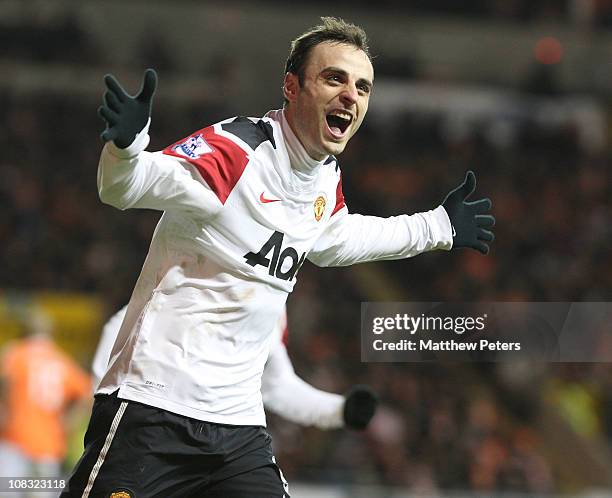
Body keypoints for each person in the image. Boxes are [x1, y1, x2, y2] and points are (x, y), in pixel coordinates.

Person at [63, 17, 494, 497]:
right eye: (335, 78)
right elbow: (127, 187)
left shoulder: (324, 176)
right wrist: (125, 149)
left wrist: (438, 227)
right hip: (154, 408)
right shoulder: (236, 151)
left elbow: (336, 239)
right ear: (292, 86)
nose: (352, 95)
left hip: (237, 428)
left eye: (363, 86)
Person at [92, 305, 378, 430]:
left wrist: (339, 410)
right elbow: (122, 326)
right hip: (156, 421)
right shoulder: (205, 259)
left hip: (225, 432)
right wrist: (105, 393)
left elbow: (276, 386)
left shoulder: (273, 298)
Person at [0, 311, 91, 487]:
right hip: (49, 444)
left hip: (14, 439)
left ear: (24, 331)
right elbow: (87, 393)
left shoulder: (15, 353)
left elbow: (4, 382)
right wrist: (68, 422)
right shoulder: (61, 360)